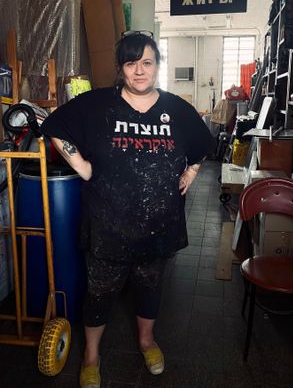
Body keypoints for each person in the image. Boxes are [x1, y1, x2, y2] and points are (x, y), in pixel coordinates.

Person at [40, 30, 216, 388]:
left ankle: (147, 341)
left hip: (158, 224)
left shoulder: (176, 109)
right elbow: (55, 125)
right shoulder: (96, 105)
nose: (139, 71)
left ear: (157, 67)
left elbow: (203, 144)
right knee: (99, 293)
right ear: (121, 69)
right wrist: (82, 166)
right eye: (131, 63)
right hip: (108, 223)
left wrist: (192, 170)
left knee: (150, 289)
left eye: (147, 63)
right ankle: (91, 355)